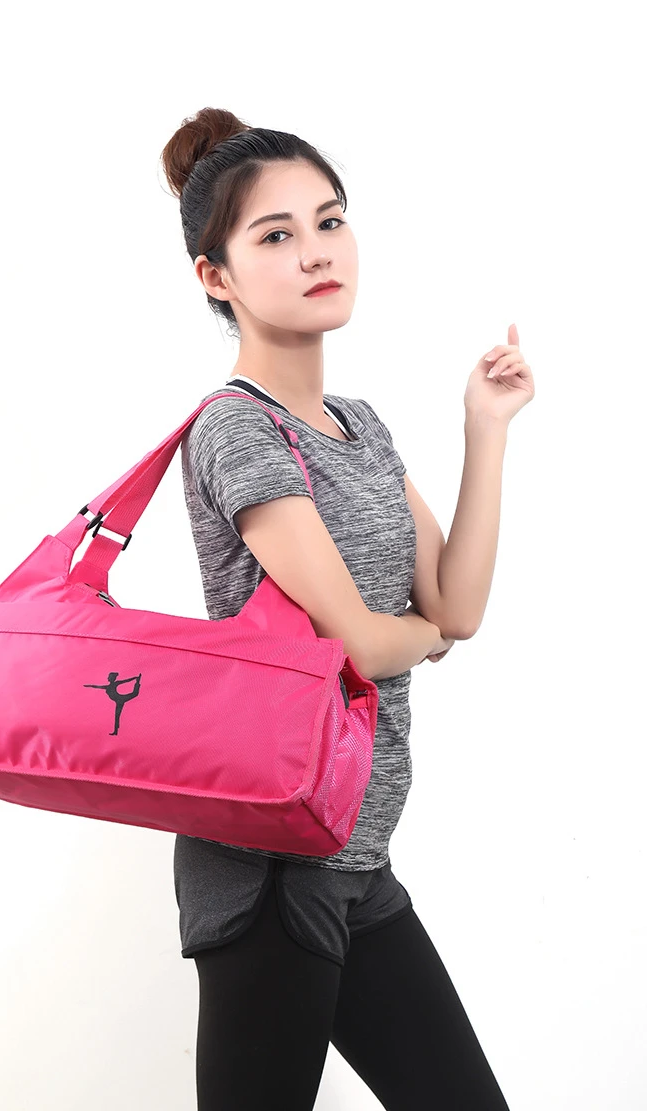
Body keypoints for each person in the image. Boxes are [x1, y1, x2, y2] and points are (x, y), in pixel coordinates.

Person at [159, 106, 533, 1110]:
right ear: (216, 276)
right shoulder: (235, 430)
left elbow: (455, 605)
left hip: (355, 853)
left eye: (329, 221)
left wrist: (484, 427)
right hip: (270, 865)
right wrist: (417, 639)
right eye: (275, 235)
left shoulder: (357, 426)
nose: (317, 251)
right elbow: (362, 643)